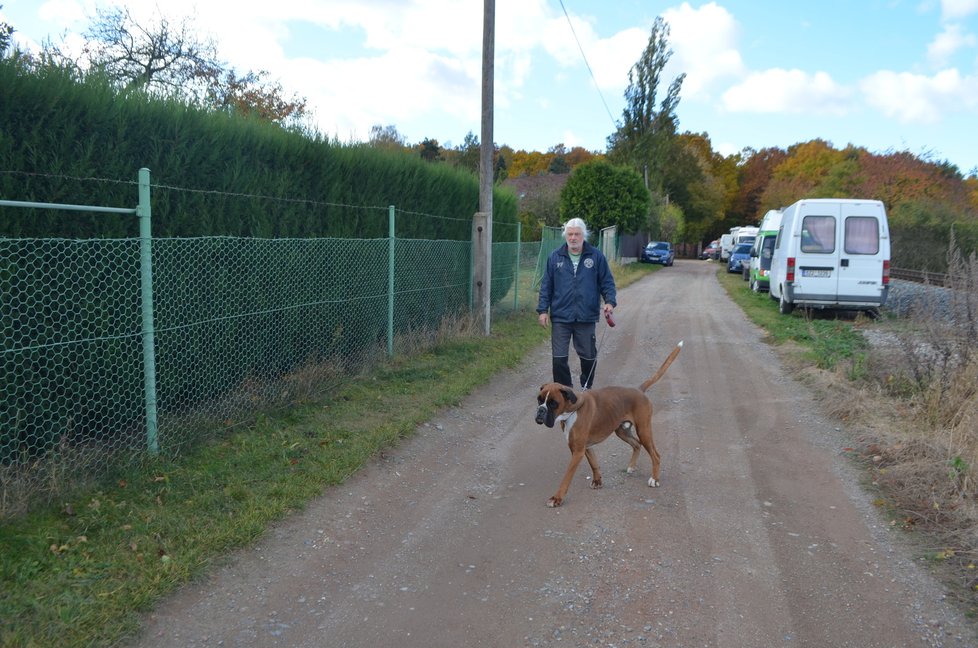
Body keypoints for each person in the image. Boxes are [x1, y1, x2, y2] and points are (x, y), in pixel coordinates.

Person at [536, 218, 617, 390]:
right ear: (565, 236)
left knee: (588, 356)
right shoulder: (555, 257)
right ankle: (566, 392)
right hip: (561, 317)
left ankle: (586, 388)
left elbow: (607, 282)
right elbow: (546, 286)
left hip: (586, 316)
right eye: (570, 234)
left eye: (577, 234)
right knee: (558, 359)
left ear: (584, 235)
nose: (573, 238)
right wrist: (543, 310)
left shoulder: (596, 256)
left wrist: (609, 301)